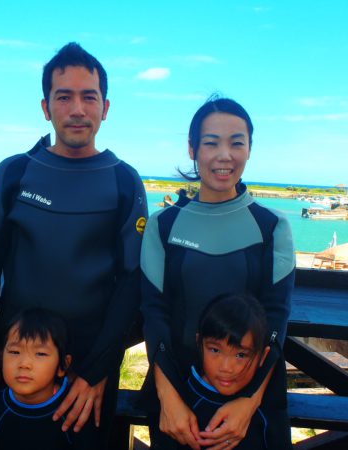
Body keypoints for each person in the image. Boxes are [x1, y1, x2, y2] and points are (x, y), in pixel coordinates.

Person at [0, 42, 147, 448]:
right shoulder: (16, 172)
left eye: (89, 97)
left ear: (105, 108)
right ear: (46, 107)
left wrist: (97, 370)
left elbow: (132, 280)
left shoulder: (123, 181)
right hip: (14, 361)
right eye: (64, 97)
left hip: (86, 375)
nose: (77, 109)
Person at [141, 96, 295, 450]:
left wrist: (249, 402)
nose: (224, 155)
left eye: (236, 143)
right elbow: (154, 314)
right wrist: (168, 398)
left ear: (250, 149)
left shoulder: (272, 227)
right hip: (178, 399)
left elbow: (275, 321)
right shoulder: (163, 225)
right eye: (211, 143)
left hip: (252, 402)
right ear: (192, 148)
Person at [0, 308, 100, 449]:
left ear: (63, 365)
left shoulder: (76, 413)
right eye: (14, 352)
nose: (24, 364)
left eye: (40, 354)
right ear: (1, 357)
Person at [176, 294, 274, 450]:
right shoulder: (179, 404)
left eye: (241, 355)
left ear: (263, 357)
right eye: (215, 350)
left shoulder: (267, 405)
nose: (226, 367)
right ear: (199, 344)